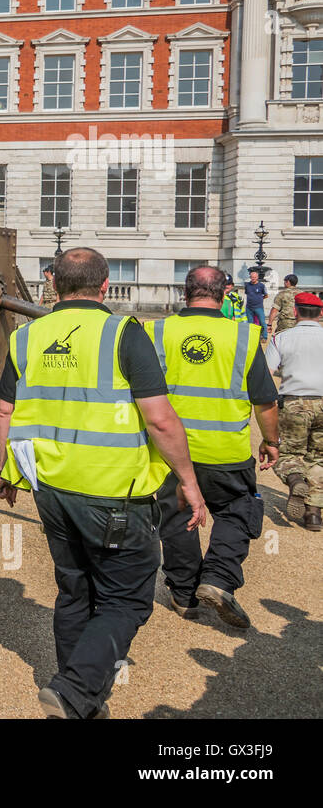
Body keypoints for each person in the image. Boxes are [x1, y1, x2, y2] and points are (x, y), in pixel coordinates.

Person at [0, 247, 206, 719]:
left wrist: (9, 473)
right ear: (105, 286)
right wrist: (188, 481)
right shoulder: (124, 332)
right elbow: (161, 420)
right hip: (115, 494)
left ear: (53, 283)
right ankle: (75, 690)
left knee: (74, 591)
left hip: (53, 490)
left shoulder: (26, 337)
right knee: (127, 598)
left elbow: (5, 411)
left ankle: (81, 699)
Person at [146, 267, 280, 629]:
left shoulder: (155, 331)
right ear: (226, 294)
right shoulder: (245, 336)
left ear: (184, 292)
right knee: (238, 510)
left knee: (177, 519)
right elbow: (265, 402)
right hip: (226, 450)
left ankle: (184, 595)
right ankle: (218, 579)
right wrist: (271, 441)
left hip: (169, 452)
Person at [266, 291, 323, 532]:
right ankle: (313, 514)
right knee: (319, 457)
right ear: (321, 313)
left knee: (288, 452)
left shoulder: (282, 338)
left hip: (294, 401)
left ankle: (295, 479)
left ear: (296, 311)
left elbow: (266, 373)